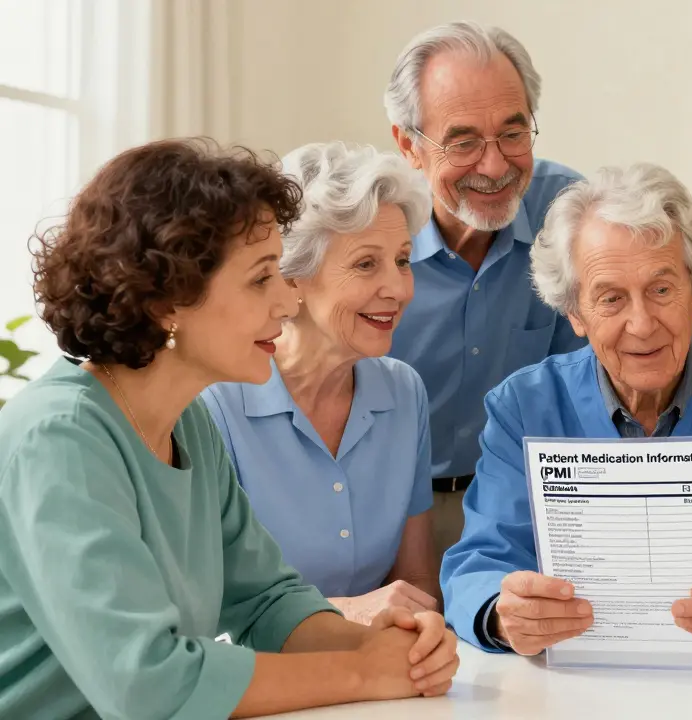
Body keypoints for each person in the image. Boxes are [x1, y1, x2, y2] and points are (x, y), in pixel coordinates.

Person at [0, 139, 458, 719]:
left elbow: (267, 600)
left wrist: (384, 645)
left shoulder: (186, 422)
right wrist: (363, 670)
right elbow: (146, 683)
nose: (286, 303)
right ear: (170, 299)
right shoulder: (58, 440)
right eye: (261, 279)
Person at [441, 163, 692, 659]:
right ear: (574, 313)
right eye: (611, 298)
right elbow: (480, 562)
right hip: (570, 688)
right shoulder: (522, 409)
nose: (642, 324)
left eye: (661, 290)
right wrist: (503, 616)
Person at [202, 141, 441, 624]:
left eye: (402, 259)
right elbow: (206, 614)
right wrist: (346, 616)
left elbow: (416, 581)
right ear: (292, 280)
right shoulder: (215, 405)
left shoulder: (404, 392)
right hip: (264, 684)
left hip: (377, 676)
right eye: (366, 263)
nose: (398, 288)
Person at [384, 20, 587, 565]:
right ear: (409, 145)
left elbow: (596, 390)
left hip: (528, 510)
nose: (495, 166)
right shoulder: (368, 234)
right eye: (464, 141)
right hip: (392, 514)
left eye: (512, 134)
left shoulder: (571, 216)